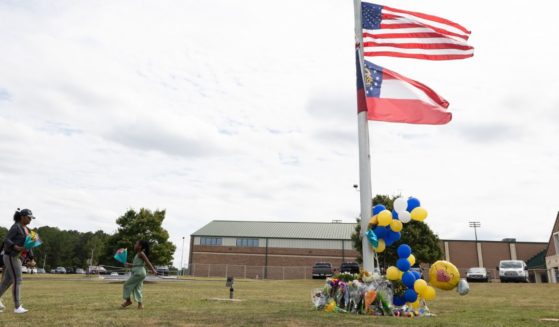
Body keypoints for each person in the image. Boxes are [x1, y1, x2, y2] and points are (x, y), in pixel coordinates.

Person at [0, 209, 37, 314]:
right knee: (18, 279)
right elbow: (6, 239)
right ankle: (17, 307)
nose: (30, 220)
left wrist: (32, 258)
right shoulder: (16, 226)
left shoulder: (27, 229)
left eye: (31, 218)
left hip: (18, 257)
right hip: (12, 256)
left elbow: (29, 246)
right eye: (29, 217)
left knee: (7, 281)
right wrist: (15, 246)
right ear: (22, 217)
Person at [121, 240, 157, 310]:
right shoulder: (138, 254)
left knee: (126, 285)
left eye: (136, 244)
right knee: (137, 288)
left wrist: (153, 270)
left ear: (140, 247)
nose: (134, 245)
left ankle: (128, 301)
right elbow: (136, 265)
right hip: (139, 272)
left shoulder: (141, 253)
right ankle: (140, 304)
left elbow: (148, 262)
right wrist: (129, 265)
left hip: (139, 273)